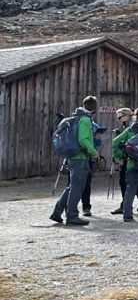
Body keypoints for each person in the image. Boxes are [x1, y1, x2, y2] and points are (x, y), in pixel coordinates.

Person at [49, 96, 101, 226]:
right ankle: (72, 216)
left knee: (72, 186)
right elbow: (83, 139)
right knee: (77, 187)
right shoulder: (85, 120)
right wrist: (93, 152)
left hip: (72, 156)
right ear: (94, 107)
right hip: (80, 158)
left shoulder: (77, 118)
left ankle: (57, 212)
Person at [108, 108, 138, 215]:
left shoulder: (131, 126)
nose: (118, 119)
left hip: (129, 156)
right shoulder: (128, 125)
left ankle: (128, 204)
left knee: (125, 180)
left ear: (127, 116)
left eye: (120, 117)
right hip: (130, 155)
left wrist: (120, 154)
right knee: (126, 180)